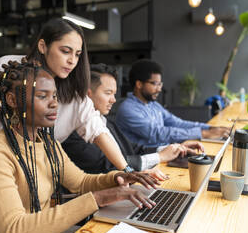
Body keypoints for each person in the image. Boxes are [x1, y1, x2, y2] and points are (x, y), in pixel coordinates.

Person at [0, 62, 160, 233]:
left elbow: (80, 182)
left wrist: (117, 178)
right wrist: (99, 198)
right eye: (42, 96)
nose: (54, 103)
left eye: (54, 96)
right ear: (13, 100)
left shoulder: (46, 143)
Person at [0, 18, 147, 173]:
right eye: (65, 51)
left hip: (32, 164)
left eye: (77, 54)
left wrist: (127, 170)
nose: (72, 61)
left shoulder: (74, 96)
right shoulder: (6, 67)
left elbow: (99, 133)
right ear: (42, 46)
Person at [62, 63, 204, 175]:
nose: (113, 100)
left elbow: (134, 148)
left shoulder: (107, 122)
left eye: (114, 94)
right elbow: (107, 165)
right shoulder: (74, 133)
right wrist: (159, 157)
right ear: (88, 95)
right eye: (108, 93)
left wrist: (172, 149)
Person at [116, 59, 230, 147]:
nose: (159, 89)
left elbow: (178, 123)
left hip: (163, 155)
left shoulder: (153, 105)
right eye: (155, 83)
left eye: (160, 84)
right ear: (139, 84)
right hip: (144, 164)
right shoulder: (127, 109)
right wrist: (203, 133)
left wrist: (210, 128)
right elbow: (158, 133)